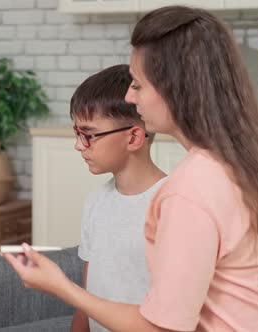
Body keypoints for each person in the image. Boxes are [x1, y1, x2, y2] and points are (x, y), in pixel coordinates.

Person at [4, 5, 258, 332]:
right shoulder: (242, 166)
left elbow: (161, 328)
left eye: (138, 85)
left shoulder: (190, 191)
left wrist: (59, 285)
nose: (129, 94)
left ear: (174, 89)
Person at [67, 65, 166, 332]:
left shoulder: (172, 205)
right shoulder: (95, 203)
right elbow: (86, 302)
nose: (78, 145)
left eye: (88, 135)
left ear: (134, 137)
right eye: (77, 134)